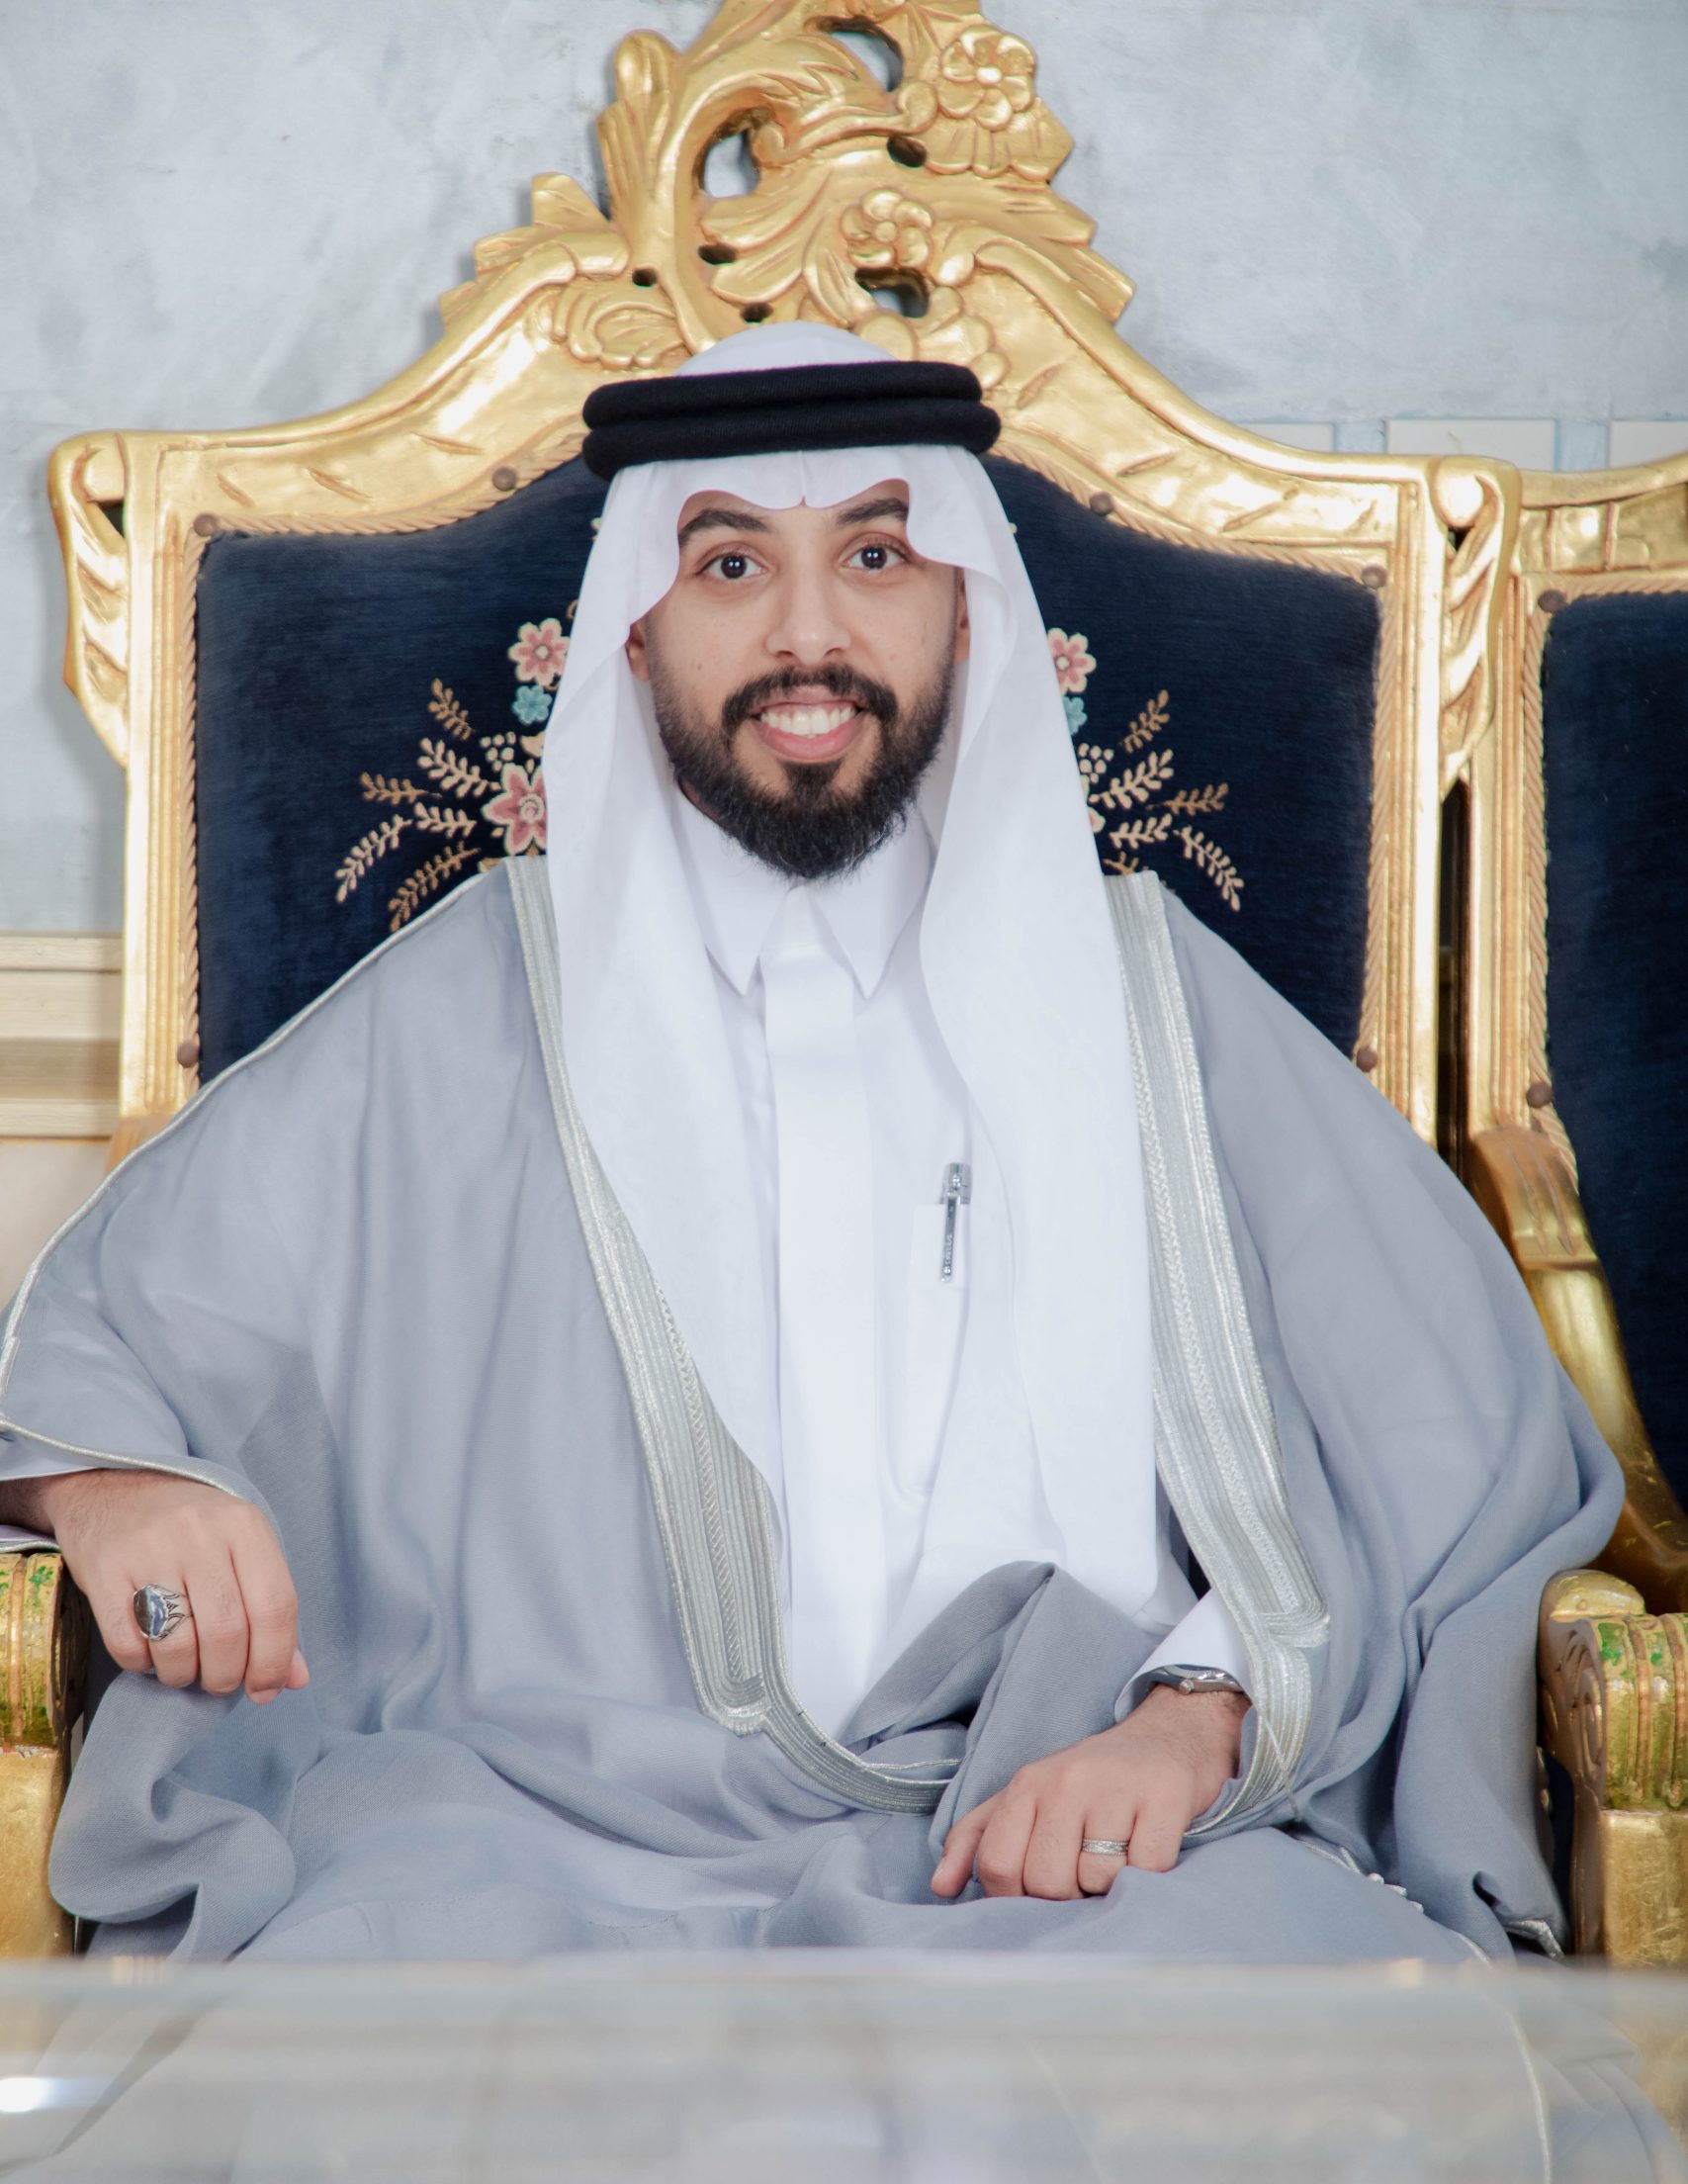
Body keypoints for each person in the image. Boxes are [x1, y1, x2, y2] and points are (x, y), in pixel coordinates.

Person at [0, 322, 1620, 1966]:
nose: (808, 635)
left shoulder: (1150, 1001)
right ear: (636, 632)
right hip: (532, 1837)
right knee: (377, 2024)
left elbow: (1456, 1451)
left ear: (966, 610)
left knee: (1305, 2030)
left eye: (874, 555)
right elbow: (106, 1340)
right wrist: (107, 1483)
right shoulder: (471, 1006)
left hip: (1066, 1849)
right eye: (729, 565)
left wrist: (1190, 1720)